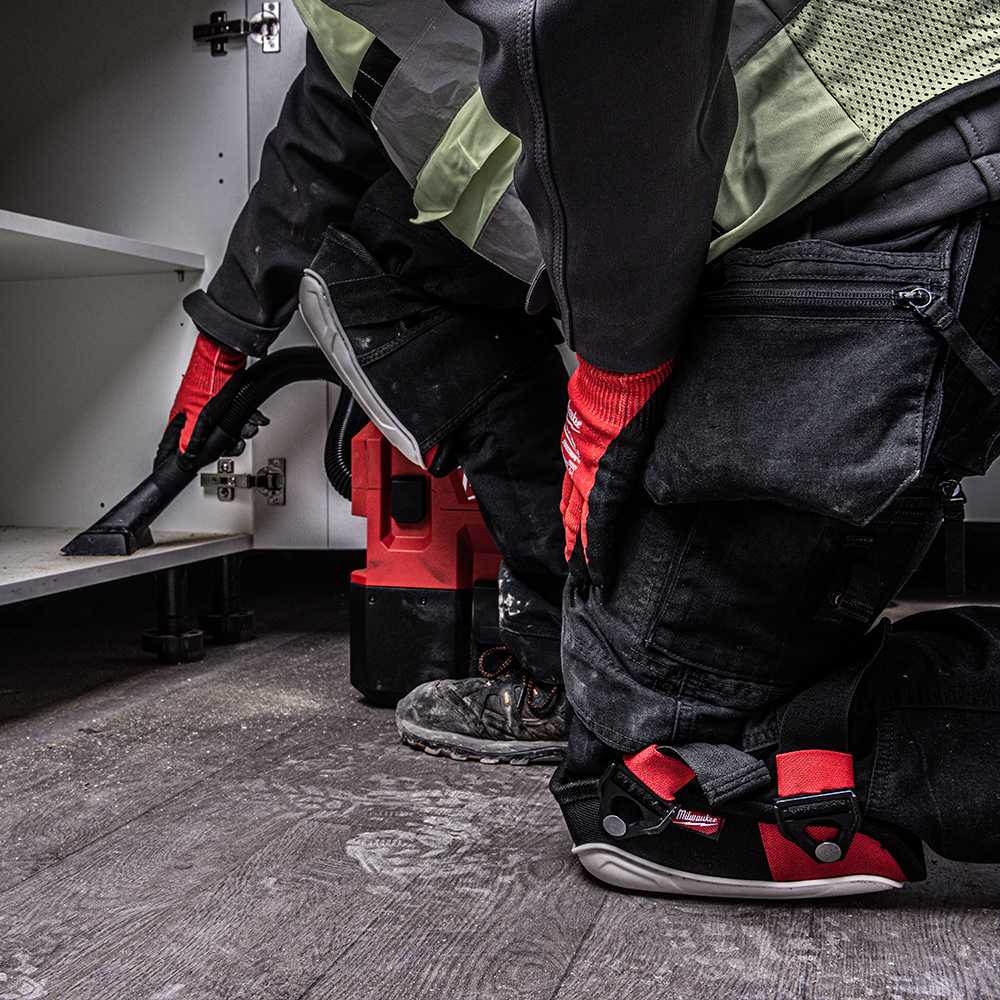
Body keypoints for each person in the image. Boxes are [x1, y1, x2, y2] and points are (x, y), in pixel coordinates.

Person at [287, 0, 1000, 899]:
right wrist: (224, 332)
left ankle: (679, 700)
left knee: (654, 770)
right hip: (862, 169)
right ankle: (599, 647)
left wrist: (615, 366)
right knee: (638, 721)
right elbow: (310, 141)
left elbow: (594, 22)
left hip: (896, 171)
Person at [157, 35, 572, 765]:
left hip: (635, 195)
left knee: (386, 241)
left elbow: (325, 132)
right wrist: (226, 333)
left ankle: (564, 686)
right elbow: (330, 120)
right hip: (701, 186)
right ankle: (615, 672)